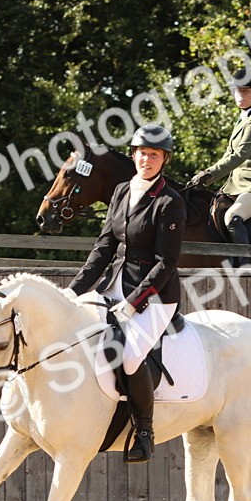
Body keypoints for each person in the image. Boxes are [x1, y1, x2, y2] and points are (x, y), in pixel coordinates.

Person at [67, 124, 185, 463]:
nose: (146, 159)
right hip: (115, 284)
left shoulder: (169, 202)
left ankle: (145, 431)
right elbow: (104, 247)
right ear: (133, 154)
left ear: (164, 159)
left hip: (157, 294)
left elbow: (167, 262)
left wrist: (135, 303)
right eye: (142, 153)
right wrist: (72, 293)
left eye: (154, 155)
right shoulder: (121, 191)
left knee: (131, 356)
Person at [190, 68, 251, 268]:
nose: (241, 95)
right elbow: (228, 153)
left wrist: (209, 174)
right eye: (238, 91)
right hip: (237, 183)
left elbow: (239, 155)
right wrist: (205, 175)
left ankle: (244, 265)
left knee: (233, 217)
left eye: (246, 91)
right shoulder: (242, 118)